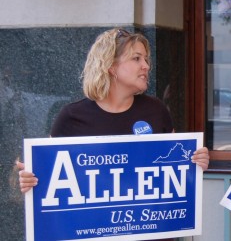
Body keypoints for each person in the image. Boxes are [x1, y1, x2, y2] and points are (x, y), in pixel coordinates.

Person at [16, 28, 209, 240]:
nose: (146, 66)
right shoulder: (72, 117)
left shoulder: (156, 110)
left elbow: (176, 165)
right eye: (136, 58)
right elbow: (48, 179)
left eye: (146, 59)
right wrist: (30, 180)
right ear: (110, 66)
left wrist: (196, 161)